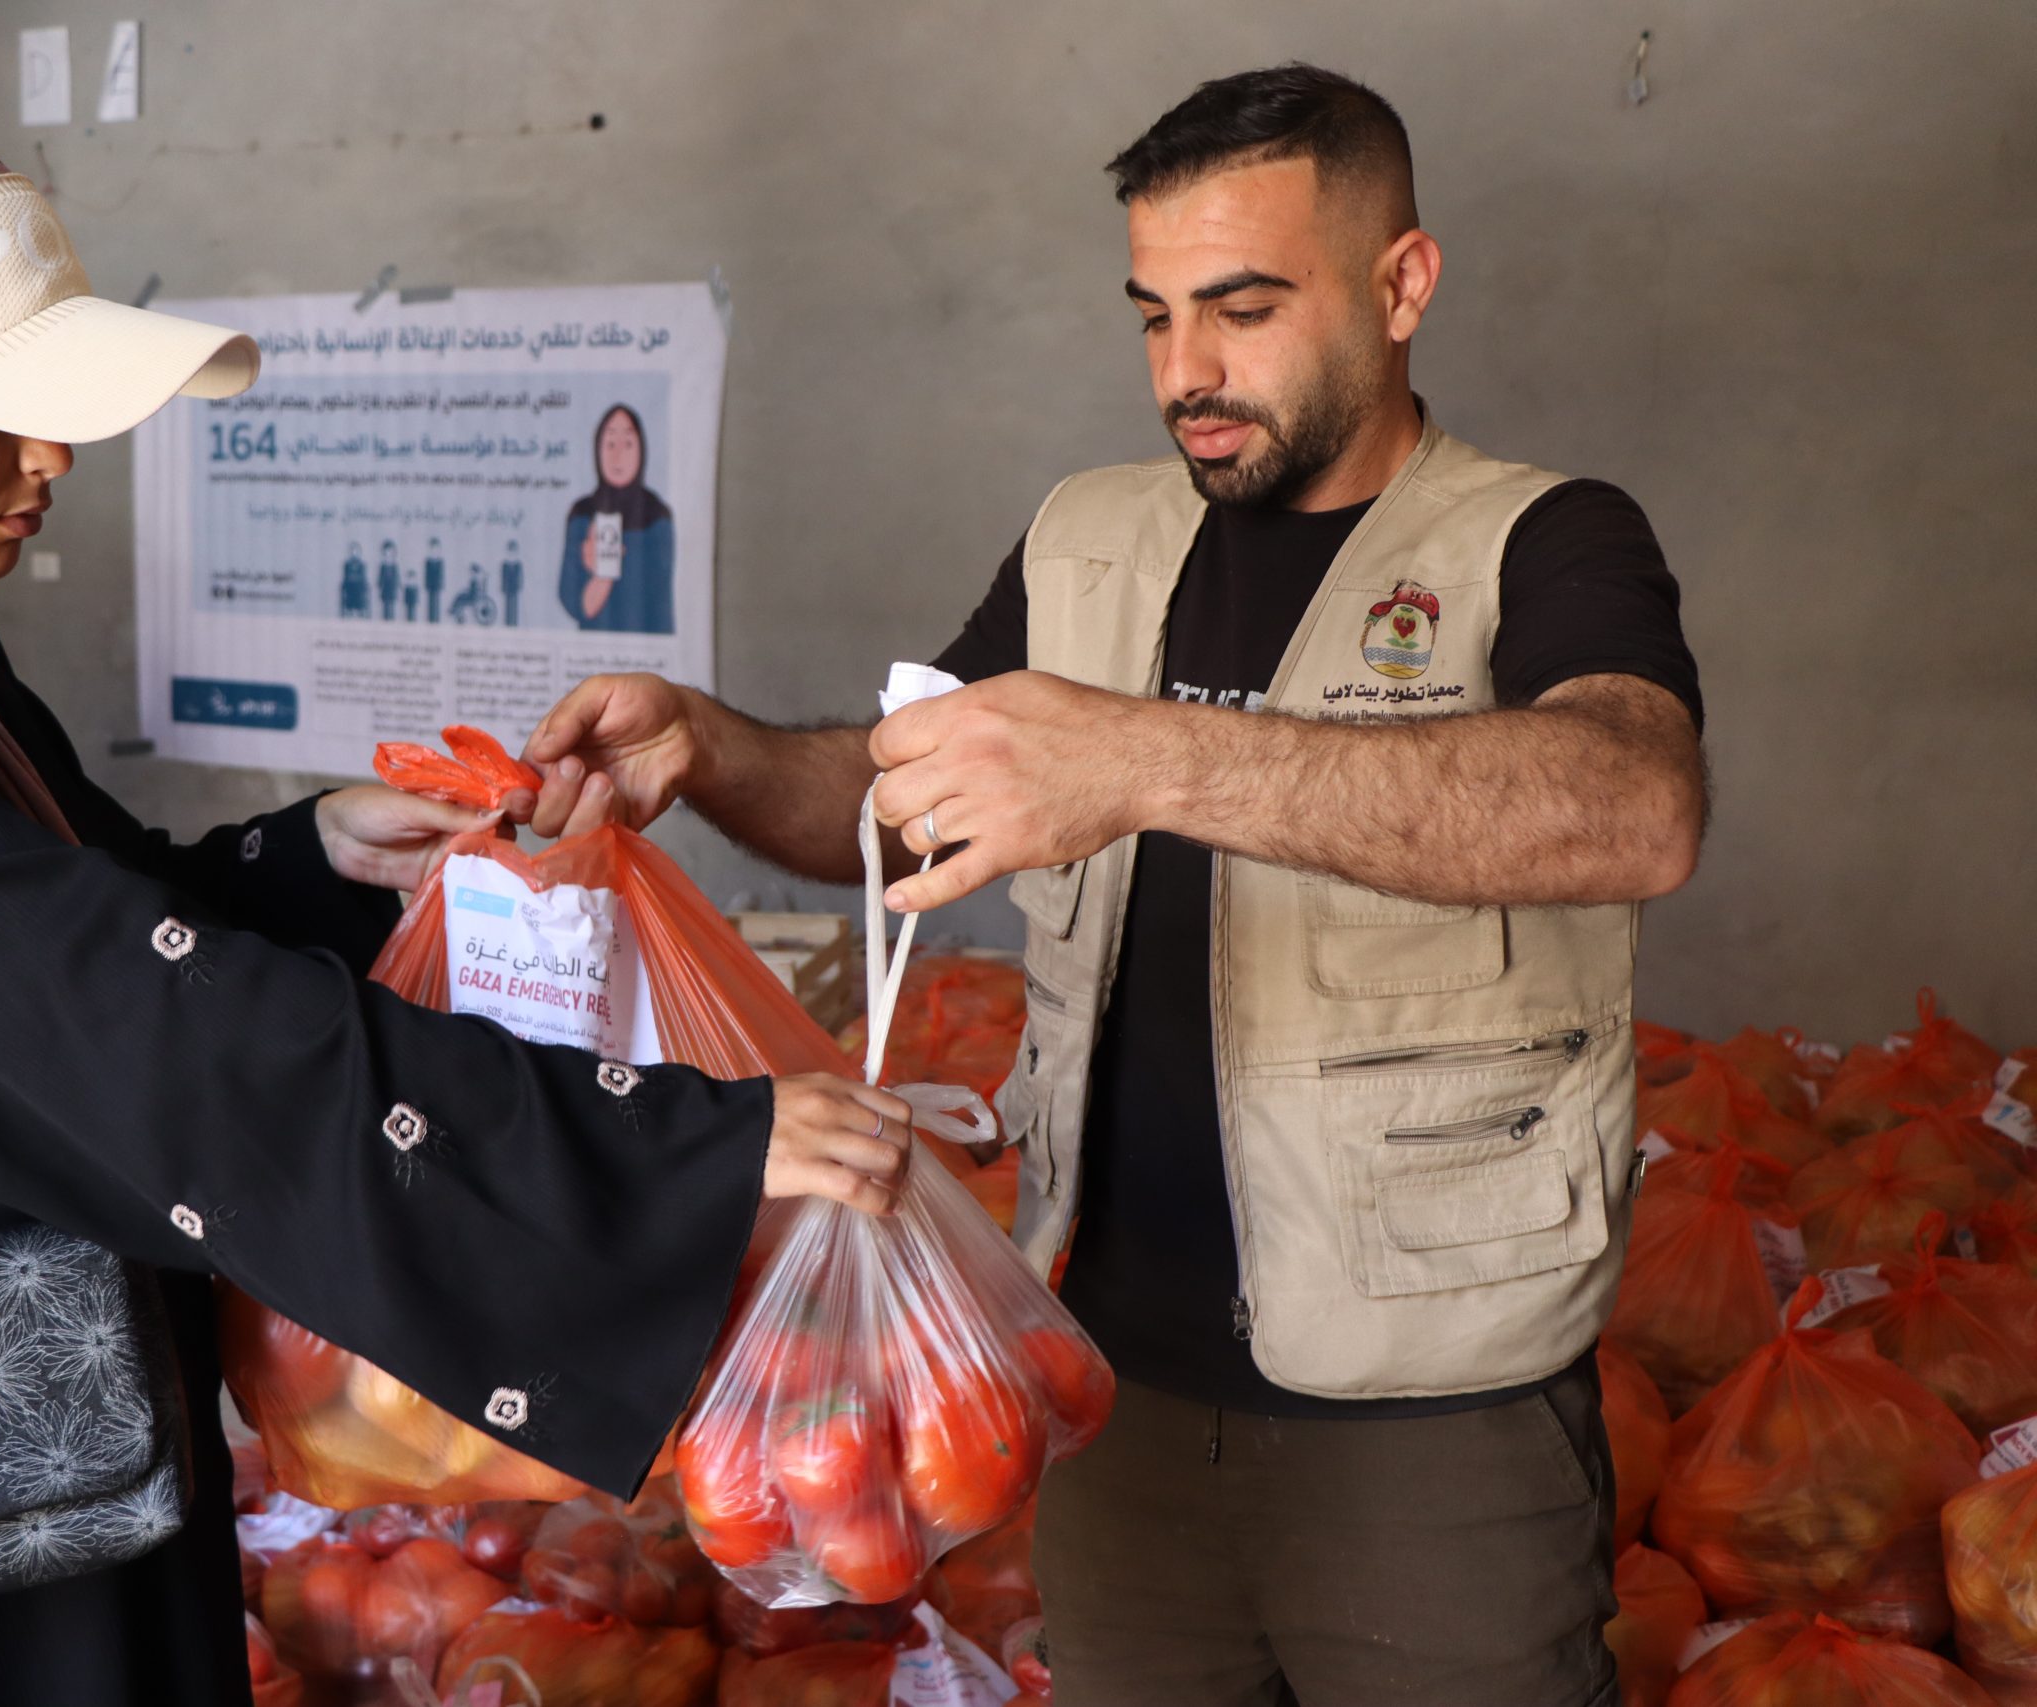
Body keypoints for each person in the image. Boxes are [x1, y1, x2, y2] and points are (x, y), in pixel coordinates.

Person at [0, 122, 911, 1707]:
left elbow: (82, 917)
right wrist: (652, 1140)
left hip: (27, 1444)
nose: (53, 458)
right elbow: (121, 1015)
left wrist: (312, 855)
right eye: (2, 413)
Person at [526, 66, 1706, 1707]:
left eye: (1245, 309)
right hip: (1106, 1395)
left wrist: (1146, 762)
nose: (1185, 373)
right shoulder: (1088, 538)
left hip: (1431, 1427)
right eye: (1154, 315)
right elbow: (897, 803)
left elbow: (1633, 806)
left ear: (1402, 284)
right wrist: (712, 749)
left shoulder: (1541, 540)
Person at [557, 404, 675, 633]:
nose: (617, 456)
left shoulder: (657, 516)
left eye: (628, 444)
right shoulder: (582, 514)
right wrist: (602, 574)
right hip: (592, 649)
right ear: (598, 449)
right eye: (610, 444)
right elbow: (576, 604)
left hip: (648, 646)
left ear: (641, 451)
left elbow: (658, 599)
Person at [499, 538, 524, 626]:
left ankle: (514, 623)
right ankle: (508, 623)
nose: (512, 553)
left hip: (515, 589)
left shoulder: (518, 564)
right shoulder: (505, 564)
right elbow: (503, 577)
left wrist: (520, 586)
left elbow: (520, 576)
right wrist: (503, 587)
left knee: (514, 607)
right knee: (507, 607)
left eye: (513, 550)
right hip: (507, 589)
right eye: (510, 550)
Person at [377, 537, 401, 620]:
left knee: (392, 606)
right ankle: (385, 620)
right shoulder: (383, 566)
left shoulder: (395, 566)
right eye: (386, 552)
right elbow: (380, 578)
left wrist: (398, 587)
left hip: (392, 589)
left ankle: (391, 620)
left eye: (390, 552)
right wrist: (379, 585)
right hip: (385, 589)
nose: (388, 555)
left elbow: (397, 578)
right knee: (385, 607)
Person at [422, 534, 444, 624]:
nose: (434, 551)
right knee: (430, 603)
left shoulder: (440, 562)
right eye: (432, 549)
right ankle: (430, 620)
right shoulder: (428, 562)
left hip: (437, 585)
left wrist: (441, 584)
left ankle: (436, 620)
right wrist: (426, 584)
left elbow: (441, 575)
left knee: (437, 603)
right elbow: (426, 574)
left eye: (436, 549)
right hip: (430, 585)